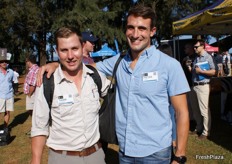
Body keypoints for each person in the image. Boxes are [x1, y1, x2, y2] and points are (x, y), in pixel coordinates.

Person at [38, 4, 190, 164]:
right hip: (125, 152)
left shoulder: (169, 65)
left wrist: (179, 155)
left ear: (152, 31)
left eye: (142, 28)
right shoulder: (119, 61)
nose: (135, 34)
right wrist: (57, 65)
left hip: (156, 153)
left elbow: (182, 113)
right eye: (131, 27)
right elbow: (85, 67)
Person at [31, 27, 110, 164]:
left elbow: (116, 95)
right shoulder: (48, 82)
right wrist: (36, 160)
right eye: (64, 50)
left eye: (74, 48)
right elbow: (39, 127)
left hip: (96, 156)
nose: (70, 56)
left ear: (82, 47)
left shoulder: (95, 77)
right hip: (62, 158)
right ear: (57, 51)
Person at [191, 39, 216, 139]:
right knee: (195, 109)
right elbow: (195, 71)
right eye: (194, 47)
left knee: (204, 110)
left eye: (196, 47)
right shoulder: (196, 58)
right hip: (195, 86)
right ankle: (199, 128)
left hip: (203, 86)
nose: (194, 48)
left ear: (202, 47)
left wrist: (201, 72)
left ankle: (206, 132)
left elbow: (214, 71)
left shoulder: (208, 57)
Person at [182, 42, 203, 134]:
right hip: (186, 85)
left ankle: (200, 125)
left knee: (198, 106)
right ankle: (192, 123)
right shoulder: (184, 59)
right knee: (190, 106)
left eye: (187, 47)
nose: (185, 50)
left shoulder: (196, 58)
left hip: (195, 84)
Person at [23, 54, 39, 135]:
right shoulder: (37, 68)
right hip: (34, 94)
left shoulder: (33, 70)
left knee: (33, 112)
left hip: (32, 95)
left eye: (26, 61)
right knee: (35, 112)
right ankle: (35, 128)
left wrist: (29, 94)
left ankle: (35, 129)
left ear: (29, 61)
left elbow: (32, 84)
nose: (26, 63)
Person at [0, 52, 14, 131]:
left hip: (9, 95)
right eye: (2, 61)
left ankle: (5, 127)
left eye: (5, 61)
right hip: (0, 96)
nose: (4, 63)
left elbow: (11, 82)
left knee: (7, 112)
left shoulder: (11, 72)